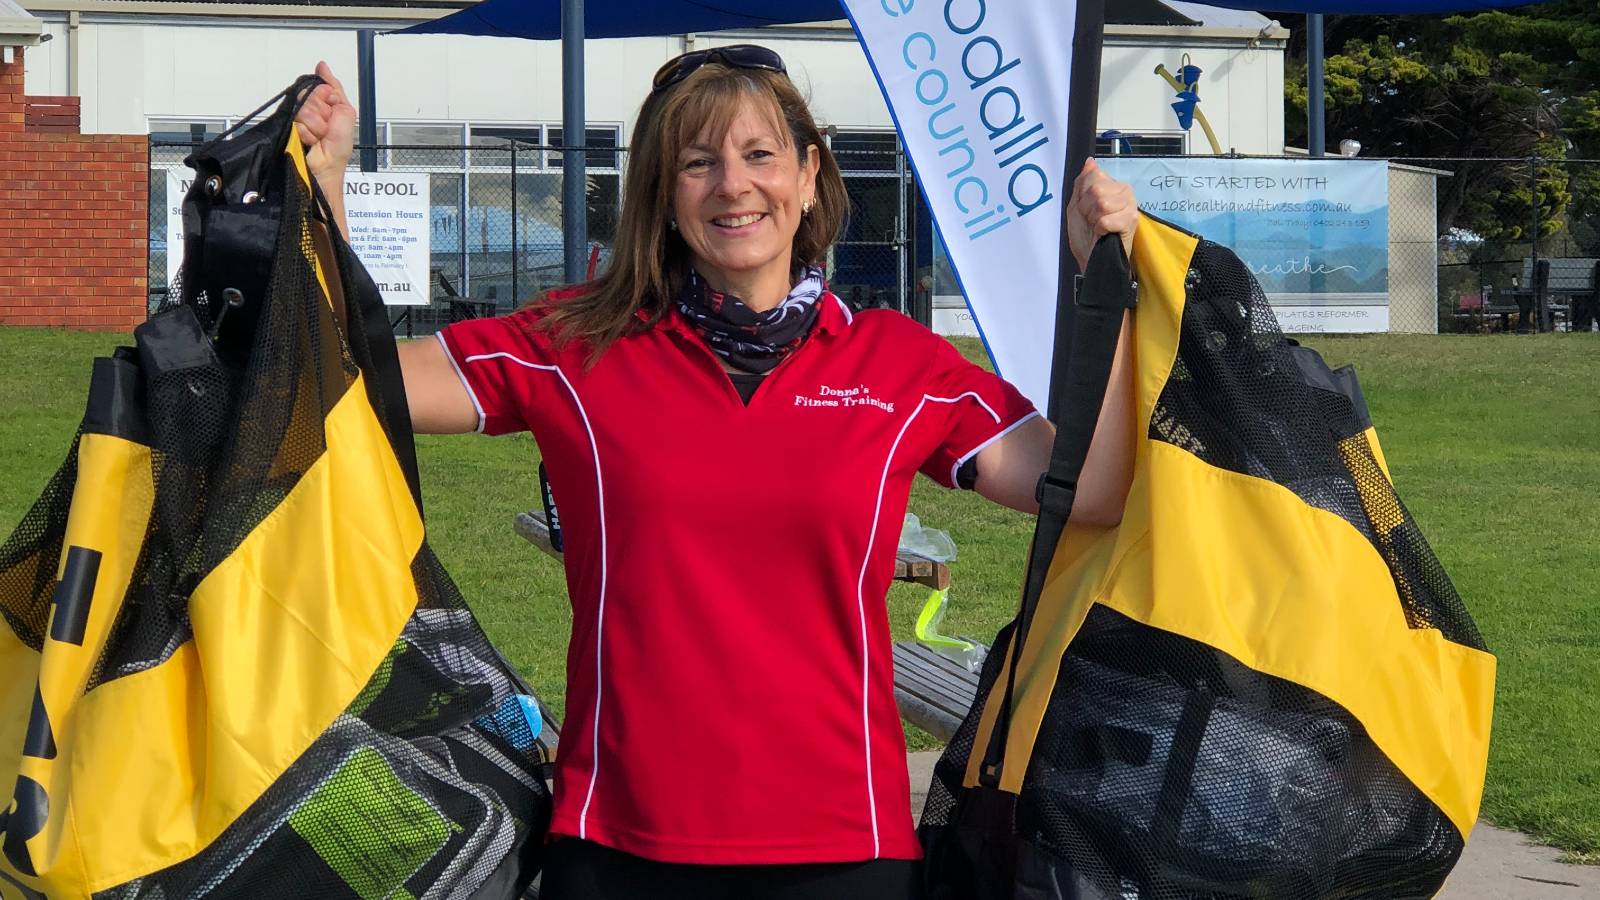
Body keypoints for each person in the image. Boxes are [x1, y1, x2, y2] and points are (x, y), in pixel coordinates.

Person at [294, 48, 1141, 900]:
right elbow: (353, 377)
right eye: (698, 163)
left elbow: (1091, 491)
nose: (733, 184)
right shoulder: (576, 347)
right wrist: (324, 182)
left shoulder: (900, 365)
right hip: (620, 841)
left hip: (847, 847)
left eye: (760, 155)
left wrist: (1106, 277)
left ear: (809, 176)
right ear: (665, 197)